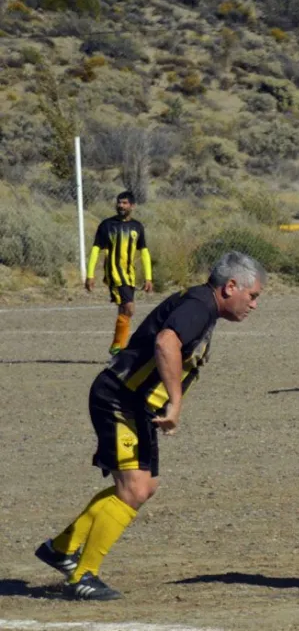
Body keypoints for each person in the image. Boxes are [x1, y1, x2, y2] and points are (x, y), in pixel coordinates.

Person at [36, 252, 266, 600]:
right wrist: (175, 401)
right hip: (120, 399)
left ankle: (62, 548)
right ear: (230, 286)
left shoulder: (203, 304)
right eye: (253, 296)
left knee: (145, 485)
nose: (254, 305)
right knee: (135, 489)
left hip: (133, 404)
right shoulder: (199, 306)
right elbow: (166, 342)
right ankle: (83, 575)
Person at [85, 191, 153, 355]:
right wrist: (90, 274)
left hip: (130, 275)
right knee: (129, 308)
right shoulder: (107, 225)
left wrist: (148, 277)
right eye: (119, 203)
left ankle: (117, 346)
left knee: (124, 310)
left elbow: (143, 251)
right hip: (115, 274)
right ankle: (119, 348)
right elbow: (96, 250)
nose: (121, 206)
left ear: (132, 206)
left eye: (124, 203)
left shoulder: (137, 227)